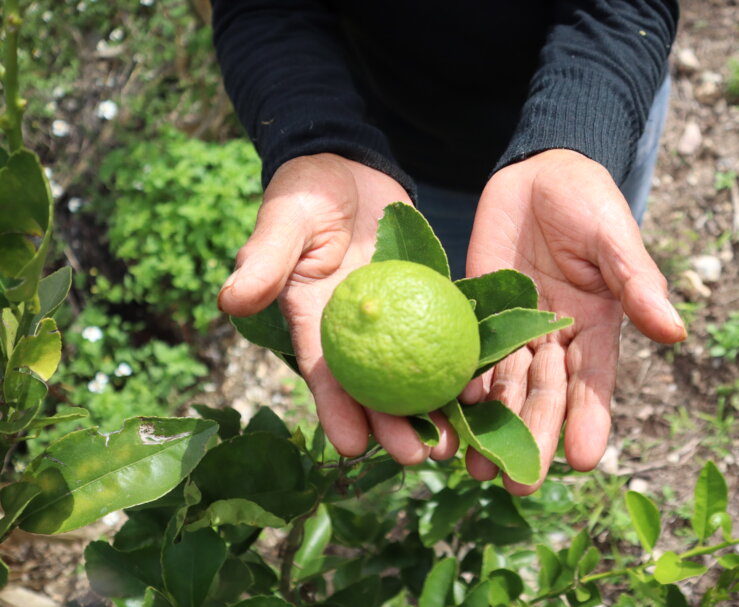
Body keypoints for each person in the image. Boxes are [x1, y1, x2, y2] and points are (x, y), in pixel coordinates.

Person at [210, 1, 688, 494]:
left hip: (592, 116)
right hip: (387, 161)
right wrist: (318, 137)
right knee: (459, 277)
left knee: (578, 263)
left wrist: (579, 136)